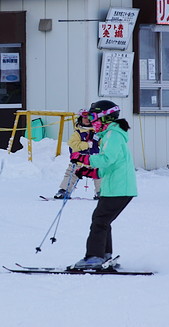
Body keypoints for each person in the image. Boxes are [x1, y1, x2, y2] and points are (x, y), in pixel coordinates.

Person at [69, 100, 137, 269]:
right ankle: (104, 255)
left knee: (99, 220)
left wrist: (84, 158)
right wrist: (90, 172)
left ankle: (94, 257)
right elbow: (112, 165)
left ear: (104, 118)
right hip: (115, 186)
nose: (91, 121)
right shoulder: (109, 135)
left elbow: (107, 159)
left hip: (119, 188)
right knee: (103, 220)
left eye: (93, 117)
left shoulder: (113, 135)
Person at [53, 110, 100, 199]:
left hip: (94, 160)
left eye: (89, 118)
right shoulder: (78, 133)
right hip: (79, 160)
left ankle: (101, 192)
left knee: (100, 174)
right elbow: (72, 144)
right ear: (80, 119)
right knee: (71, 174)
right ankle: (64, 190)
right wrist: (85, 145)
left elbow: (102, 143)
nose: (87, 120)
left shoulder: (96, 133)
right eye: (85, 118)